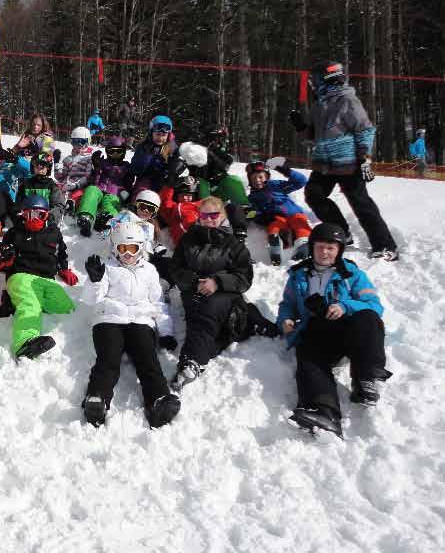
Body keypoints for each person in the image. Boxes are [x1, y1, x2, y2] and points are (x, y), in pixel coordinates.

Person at [278, 223, 391, 438]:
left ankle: (365, 378)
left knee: (368, 317)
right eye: (320, 247)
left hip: (350, 331)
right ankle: (324, 412)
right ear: (312, 248)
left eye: (330, 248)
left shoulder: (352, 274)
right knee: (307, 352)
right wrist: (286, 320)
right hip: (318, 332)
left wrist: (345, 306)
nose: (324, 252)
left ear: (339, 250)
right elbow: (287, 305)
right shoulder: (298, 275)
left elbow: (373, 304)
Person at [290, 60, 397, 261]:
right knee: (314, 195)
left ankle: (385, 246)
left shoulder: (348, 101)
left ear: (326, 79)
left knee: (360, 203)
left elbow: (365, 130)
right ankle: (342, 232)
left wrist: (365, 158)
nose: (312, 84)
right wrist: (301, 127)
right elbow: (313, 137)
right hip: (324, 162)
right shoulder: (319, 105)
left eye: (314, 80)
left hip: (348, 161)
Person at [81, 222, 181, 429]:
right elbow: (92, 300)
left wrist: (165, 331)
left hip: (140, 320)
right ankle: (97, 399)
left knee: (148, 359)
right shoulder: (107, 268)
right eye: (122, 249)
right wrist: (94, 280)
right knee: (108, 360)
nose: (128, 254)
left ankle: (158, 400)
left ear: (141, 248)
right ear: (115, 249)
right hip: (109, 319)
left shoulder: (150, 271)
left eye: (133, 249)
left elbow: (158, 303)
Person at [166, 196, 253, 392]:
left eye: (214, 215)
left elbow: (245, 276)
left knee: (208, 308)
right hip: (194, 289)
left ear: (222, 216)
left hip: (224, 292)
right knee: (199, 311)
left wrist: (217, 282)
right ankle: (207, 351)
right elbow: (176, 268)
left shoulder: (233, 244)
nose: (209, 219)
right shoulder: (189, 239)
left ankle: (191, 361)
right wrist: (194, 281)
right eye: (204, 215)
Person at [0, 195, 77, 359]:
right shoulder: (14, 233)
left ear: (46, 215)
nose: (34, 219)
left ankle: (21, 301)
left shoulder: (53, 233)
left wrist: (64, 269)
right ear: (23, 216)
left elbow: (61, 253)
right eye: (29, 215)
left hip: (46, 280)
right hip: (21, 276)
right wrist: (5, 260)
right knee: (30, 304)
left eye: (40, 215)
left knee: (66, 307)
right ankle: (24, 343)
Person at [246, 159, 312, 265]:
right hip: (276, 217)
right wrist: (259, 216)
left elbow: (301, 181)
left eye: (260, 177)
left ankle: (303, 247)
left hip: (294, 213)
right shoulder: (253, 197)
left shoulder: (276, 185)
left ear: (267, 177)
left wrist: (286, 170)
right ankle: (275, 252)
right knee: (273, 228)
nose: (257, 180)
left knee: (300, 224)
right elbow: (255, 211)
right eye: (253, 178)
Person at [77, 133, 133, 237]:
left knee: (109, 201)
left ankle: (108, 220)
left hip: (115, 193)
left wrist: (124, 196)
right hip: (99, 189)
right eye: (112, 152)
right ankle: (86, 218)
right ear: (107, 152)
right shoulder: (102, 163)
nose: (115, 154)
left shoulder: (126, 167)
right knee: (91, 190)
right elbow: (93, 179)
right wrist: (96, 167)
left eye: (119, 151)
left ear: (124, 152)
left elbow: (129, 185)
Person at [129, 115, 180, 196]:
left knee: (167, 195)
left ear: (168, 135)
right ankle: (137, 204)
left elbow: (176, 164)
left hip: (163, 180)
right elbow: (134, 167)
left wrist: (172, 171)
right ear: (151, 133)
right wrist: (145, 161)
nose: (160, 138)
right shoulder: (144, 146)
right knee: (142, 192)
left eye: (163, 135)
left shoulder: (172, 148)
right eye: (157, 134)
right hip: (146, 179)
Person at [14, 152, 66, 227]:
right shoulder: (25, 184)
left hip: (45, 220)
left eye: (43, 166)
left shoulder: (52, 185)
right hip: (27, 219)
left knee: (54, 236)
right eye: (37, 165)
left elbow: (59, 205)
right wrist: (20, 215)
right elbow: (18, 204)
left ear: (48, 168)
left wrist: (50, 216)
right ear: (33, 167)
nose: (39, 168)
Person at [54, 126, 95, 218]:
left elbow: (88, 177)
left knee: (79, 195)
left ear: (88, 142)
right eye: (76, 142)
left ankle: (71, 205)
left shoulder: (89, 159)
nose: (79, 145)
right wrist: (56, 162)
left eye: (82, 142)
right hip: (66, 185)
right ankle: (57, 205)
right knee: (55, 189)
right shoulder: (68, 159)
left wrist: (75, 185)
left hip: (80, 186)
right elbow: (59, 176)